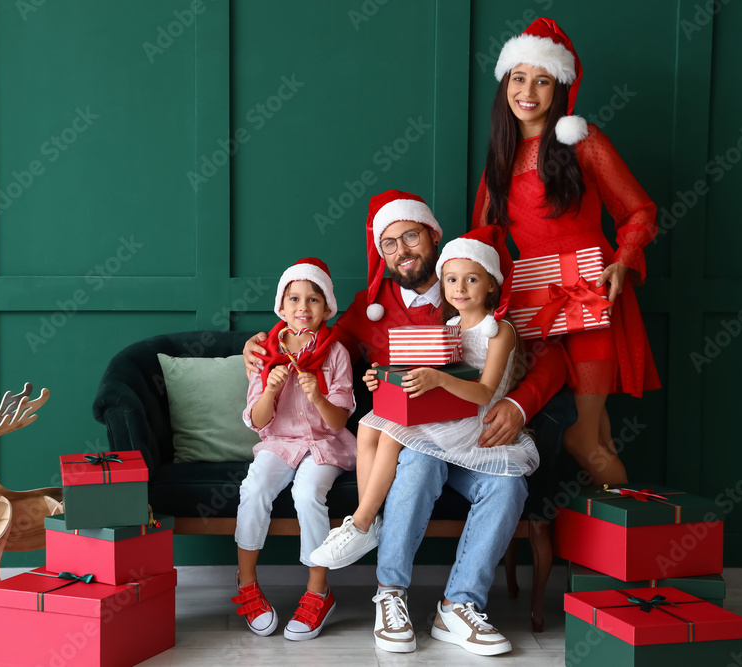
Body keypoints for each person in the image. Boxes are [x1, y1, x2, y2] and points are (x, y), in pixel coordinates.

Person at [243, 190, 569, 655]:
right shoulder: (365, 311)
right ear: (381, 253)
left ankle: (458, 605)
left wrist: (518, 405)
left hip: (481, 438)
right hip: (418, 440)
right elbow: (311, 338)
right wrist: (258, 349)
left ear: (432, 236)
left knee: (509, 488)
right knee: (413, 461)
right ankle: (390, 594)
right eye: (390, 244)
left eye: (411, 236)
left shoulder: (469, 283)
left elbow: (552, 357)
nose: (403, 251)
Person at [473, 17, 660, 486]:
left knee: (585, 437)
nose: (529, 90)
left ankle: (633, 548)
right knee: (594, 435)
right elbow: (483, 240)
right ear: (505, 85)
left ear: (560, 89)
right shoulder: (501, 155)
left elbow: (638, 210)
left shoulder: (585, 141)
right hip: (535, 307)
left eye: (543, 80)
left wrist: (622, 261)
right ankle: (616, 548)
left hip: (592, 296)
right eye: (519, 78)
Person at [309, 226, 540, 576]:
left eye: (471, 280)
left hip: (476, 418)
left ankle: (362, 522)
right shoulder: (450, 324)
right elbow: (420, 369)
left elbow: (483, 392)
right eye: (450, 280)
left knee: (392, 435)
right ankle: (364, 523)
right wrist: (382, 377)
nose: (459, 289)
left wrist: (438, 379)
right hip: (449, 410)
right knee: (370, 427)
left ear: (491, 283)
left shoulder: (499, 330)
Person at [232, 258, 357, 641]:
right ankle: (247, 583)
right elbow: (256, 419)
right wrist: (270, 388)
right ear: (282, 308)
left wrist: (317, 396)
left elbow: (338, 421)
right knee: (253, 489)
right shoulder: (265, 353)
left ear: (327, 308)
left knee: (307, 493)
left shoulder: (335, 353)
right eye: (295, 299)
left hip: (324, 444)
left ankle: (318, 590)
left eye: (314, 300)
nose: (303, 308)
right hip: (279, 443)